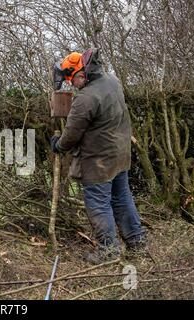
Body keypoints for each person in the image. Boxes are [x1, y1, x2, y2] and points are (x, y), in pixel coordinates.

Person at [51, 48, 147, 264]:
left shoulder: (86, 98)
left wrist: (58, 145)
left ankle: (108, 252)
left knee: (98, 203)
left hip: (99, 161)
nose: (71, 85)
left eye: (71, 80)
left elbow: (71, 134)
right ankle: (137, 242)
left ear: (81, 73)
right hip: (120, 154)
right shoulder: (112, 80)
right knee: (122, 197)